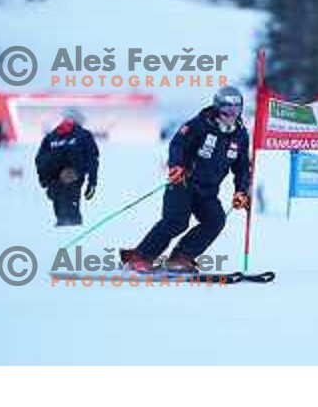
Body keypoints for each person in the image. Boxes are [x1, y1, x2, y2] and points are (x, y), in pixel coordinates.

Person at [121, 86, 251, 273]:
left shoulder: (240, 135)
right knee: (176, 222)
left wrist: (241, 190)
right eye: (227, 107)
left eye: (236, 108)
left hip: (208, 190)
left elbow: (241, 166)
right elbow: (177, 145)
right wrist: (177, 165)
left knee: (215, 221)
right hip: (184, 183)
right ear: (217, 107)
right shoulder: (199, 125)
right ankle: (141, 257)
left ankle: (181, 257)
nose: (231, 112)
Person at [35, 108, 99, 226]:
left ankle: (64, 225)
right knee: (70, 209)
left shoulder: (51, 136)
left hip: (53, 180)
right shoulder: (84, 135)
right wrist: (92, 182)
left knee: (60, 205)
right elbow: (92, 158)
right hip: (72, 176)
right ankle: (70, 226)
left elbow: (39, 159)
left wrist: (44, 181)